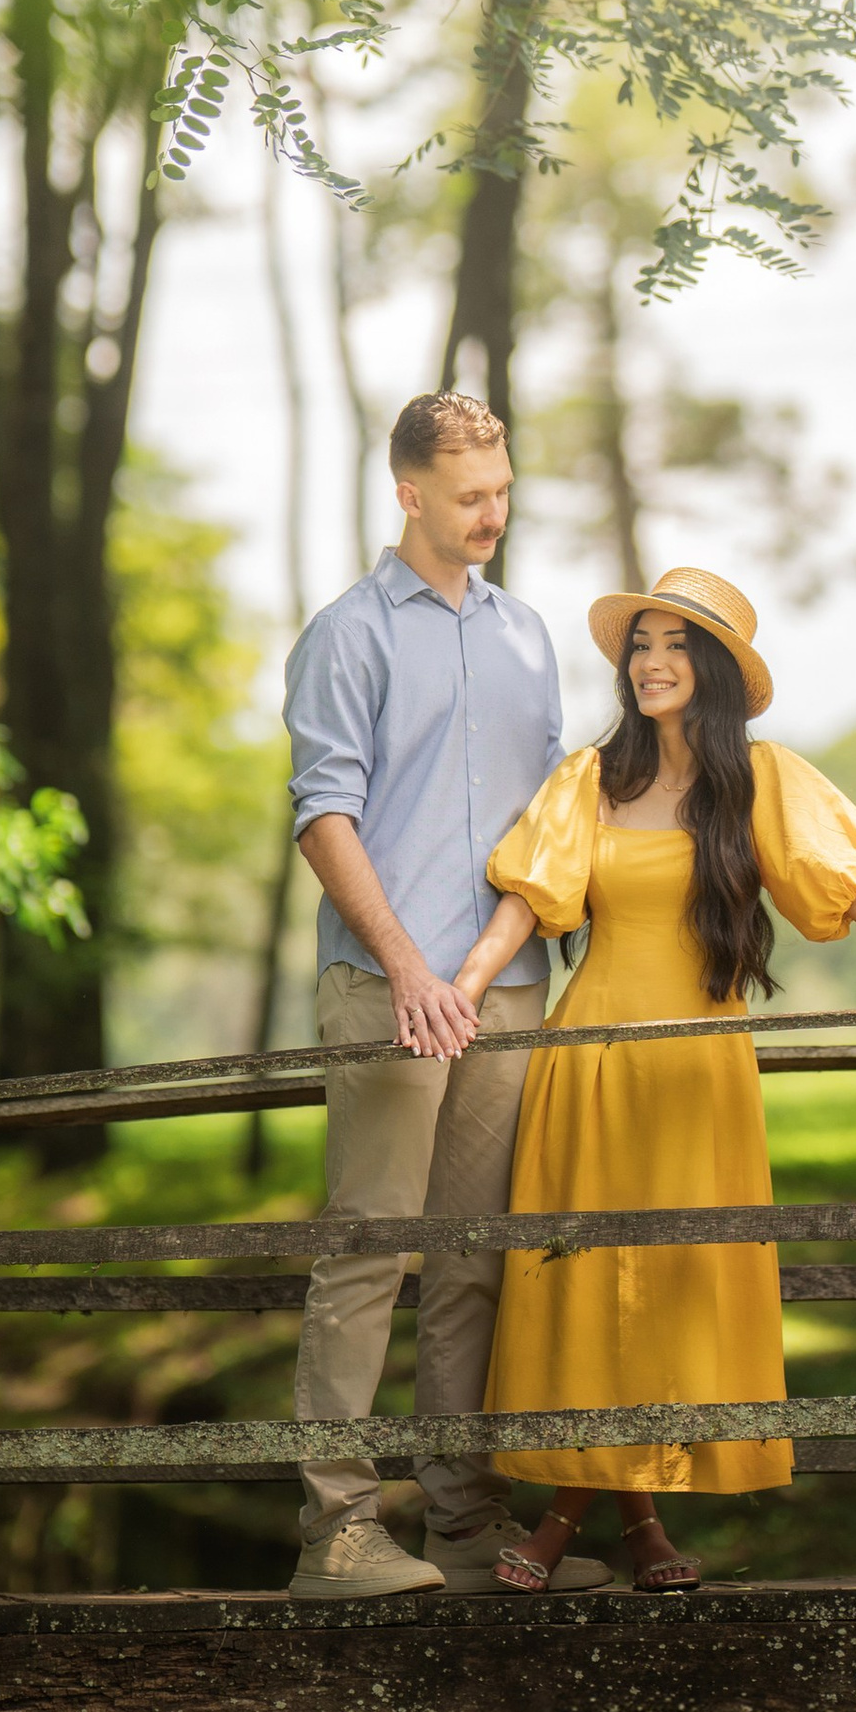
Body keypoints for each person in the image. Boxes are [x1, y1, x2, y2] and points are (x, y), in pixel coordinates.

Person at [452, 564, 856, 1593]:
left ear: (715, 668)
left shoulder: (762, 779)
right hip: (590, 1063)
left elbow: (853, 887)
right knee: (589, 1283)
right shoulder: (589, 778)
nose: (650, 663)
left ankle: (568, 1522)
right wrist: (459, 991)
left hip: (699, 1070)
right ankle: (629, 1529)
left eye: (674, 646)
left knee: (670, 1287)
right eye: (640, 645)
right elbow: (528, 897)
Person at [278, 389, 614, 1603]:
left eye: (504, 492)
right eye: (471, 496)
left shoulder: (525, 635)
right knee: (369, 1253)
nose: (493, 515)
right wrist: (412, 968)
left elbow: (553, 824)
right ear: (409, 493)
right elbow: (324, 815)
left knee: (475, 1262)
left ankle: (464, 1523)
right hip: (388, 989)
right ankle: (336, 1532)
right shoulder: (348, 634)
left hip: (508, 992)